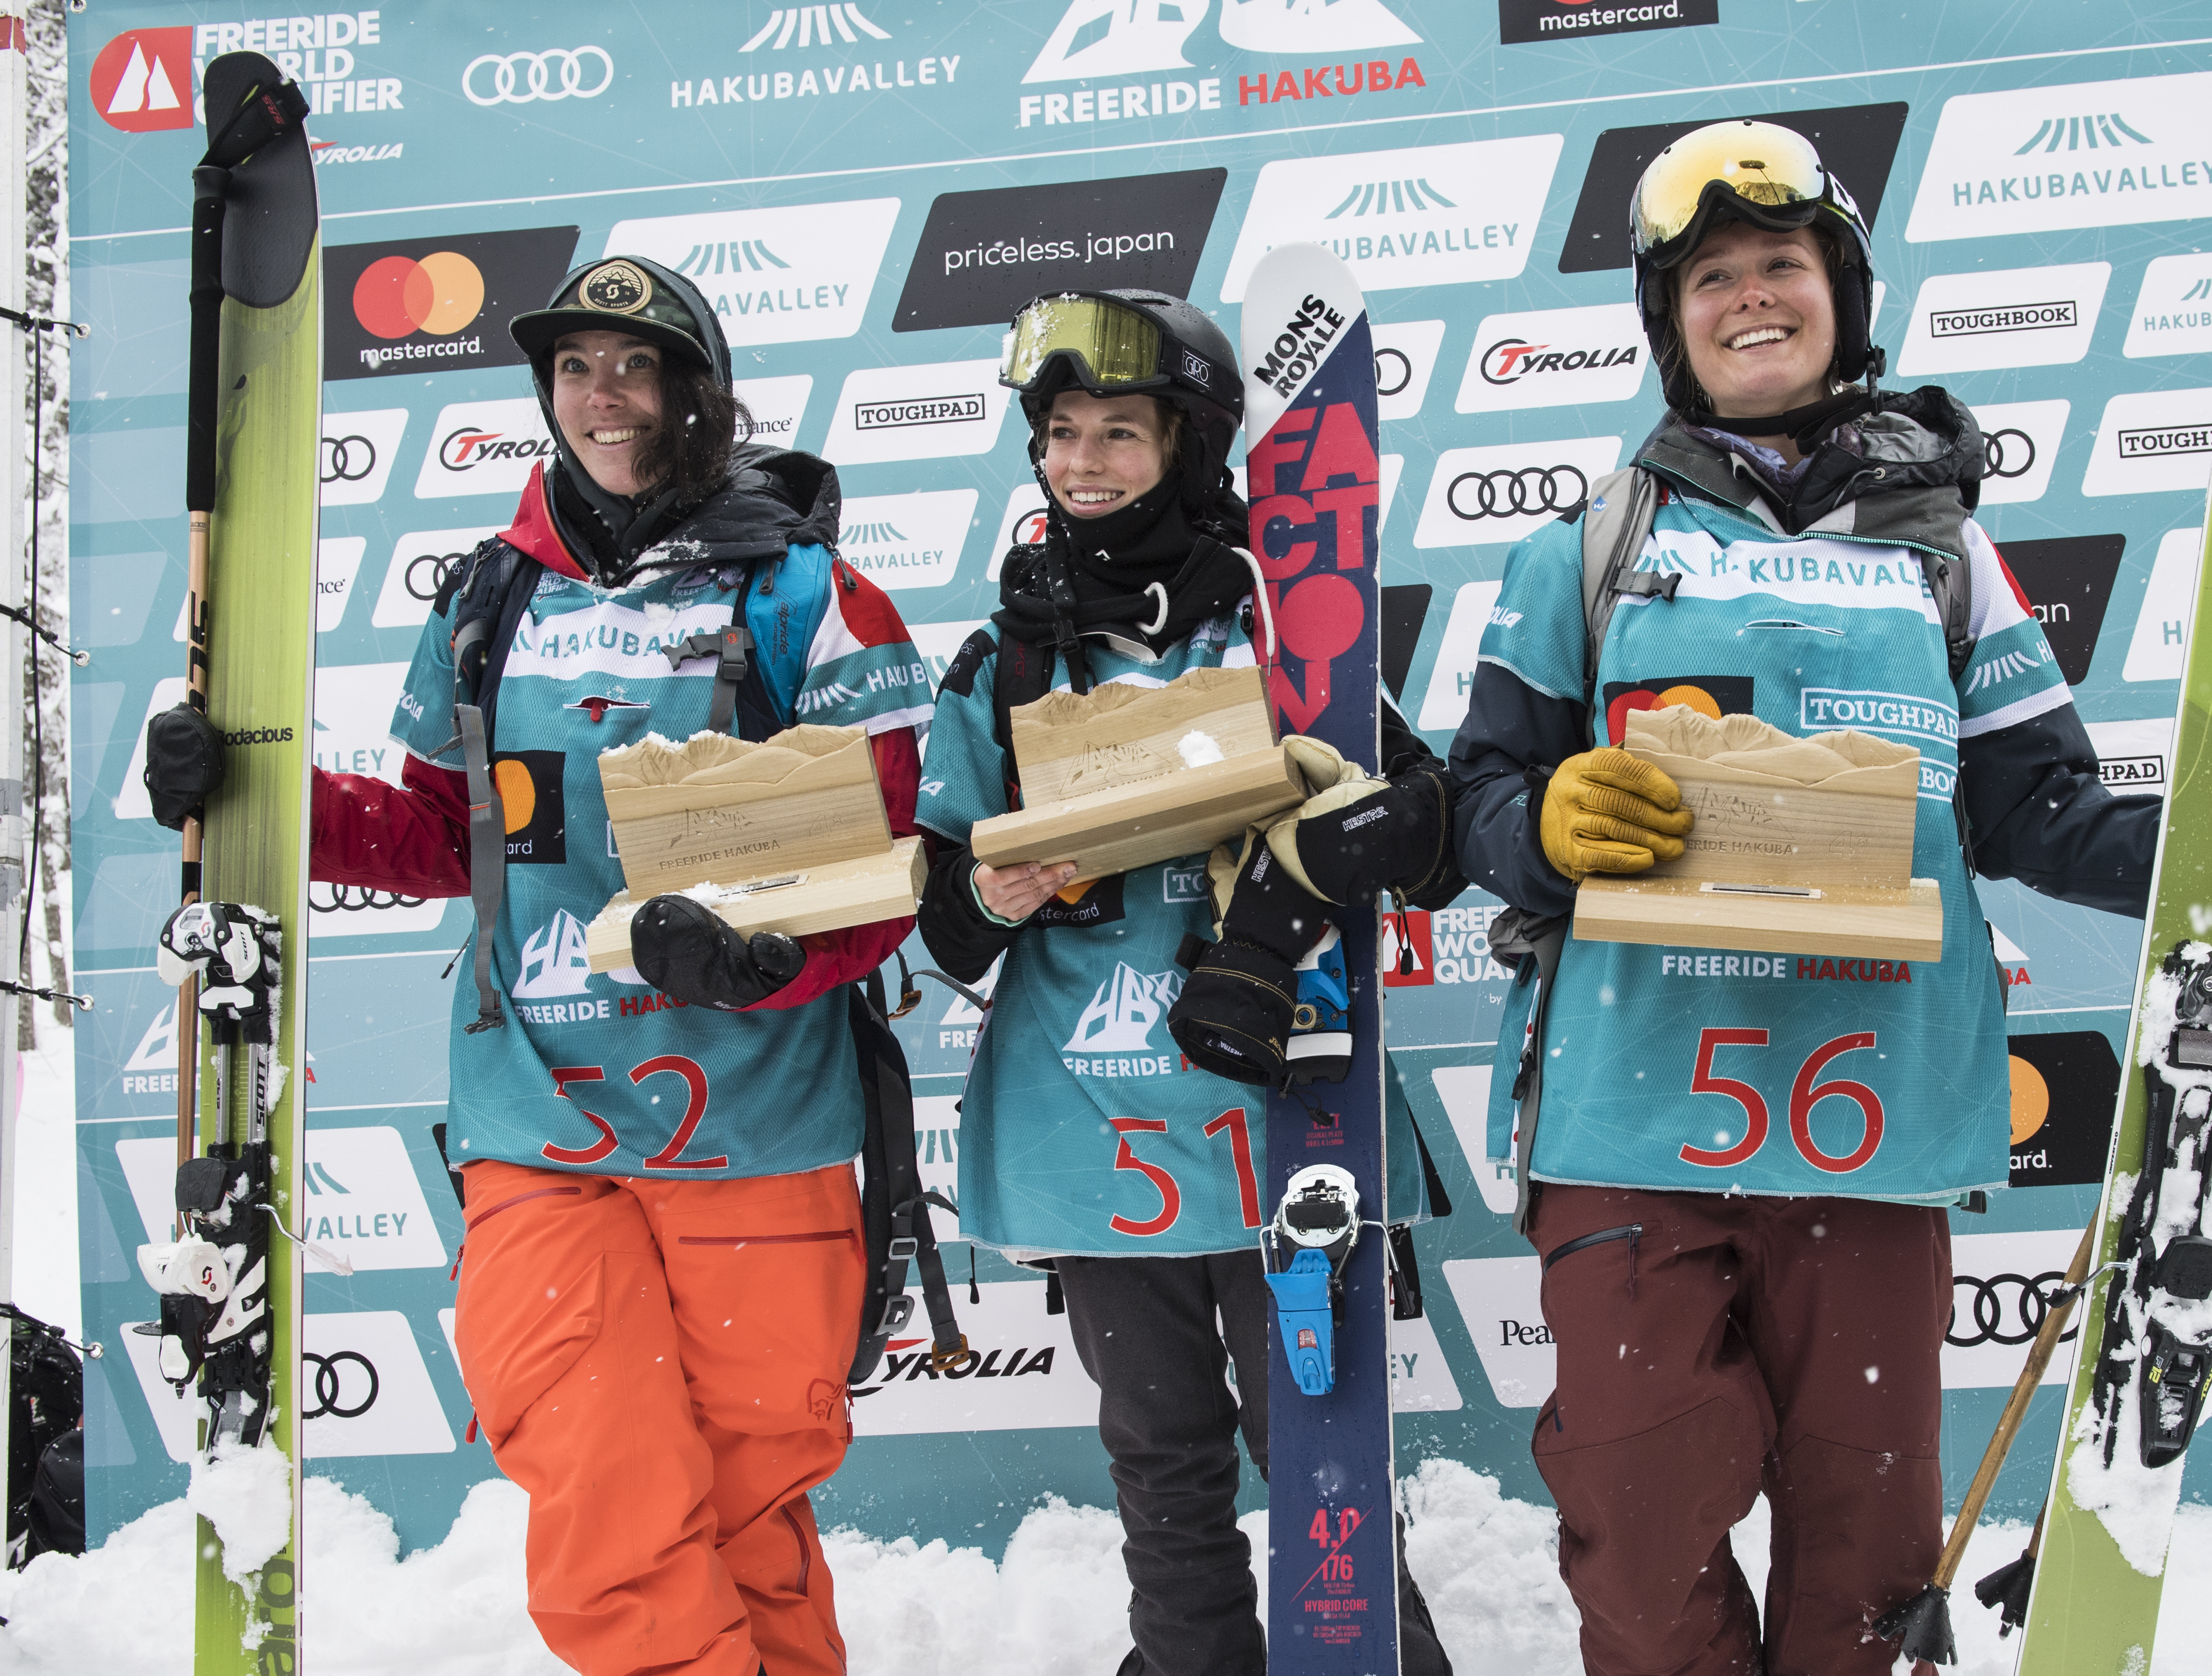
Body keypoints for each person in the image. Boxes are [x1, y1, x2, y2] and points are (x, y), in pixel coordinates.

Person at [1447, 120, 2212, 1676]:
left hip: (1871, 1110)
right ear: (1668, 326)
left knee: (1865, 1548)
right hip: (1627, 1110)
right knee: (1633, 1513)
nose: (1749, 297)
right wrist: (1545, 820)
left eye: (1780, 266)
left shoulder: (1945, 558)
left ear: (1840, 296)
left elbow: (2037, 811)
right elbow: (1472, 806)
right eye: (1710, 277)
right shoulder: (1590, 546)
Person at [147, 255, 931, 1676]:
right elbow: (447, 839)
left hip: (751, 1118)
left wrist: (762, 956)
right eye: (575, 367)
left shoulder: (808, 593)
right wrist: (251, 795)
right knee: (603, 1500)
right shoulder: (487, 595)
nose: (602, 397)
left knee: (750, 1512)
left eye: (633, 366)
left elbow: (888, 865)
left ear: (699, 389)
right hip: (538, 1109)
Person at [914, 288, 1458, 1676]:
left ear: (1192, 445)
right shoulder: (1008, 659)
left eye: (1120, 433)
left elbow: (1432, 829)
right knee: (1162, 1464)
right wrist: (994, 886)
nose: (1084, 463)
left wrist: (1310, 869)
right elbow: (944, 927)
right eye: (1062, 434)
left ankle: (1371, 1657)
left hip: (1279, 1112)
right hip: (1091, 1133)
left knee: (1322, 1453)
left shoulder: (1291, 630)